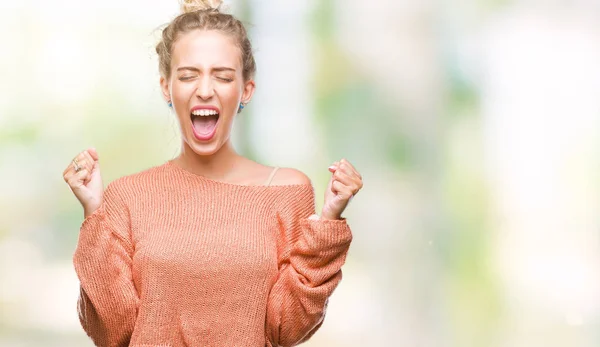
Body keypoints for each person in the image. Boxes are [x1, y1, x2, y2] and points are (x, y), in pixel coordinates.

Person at [62, 0, 363, 346]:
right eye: (188, 75)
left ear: (246, 90)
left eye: (222, 76)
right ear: (166, 88)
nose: (205, 90)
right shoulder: (125, 196)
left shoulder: (287, 191)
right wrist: (93, 212)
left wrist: (328, 221)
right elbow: (114, 332)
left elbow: (286, 328)